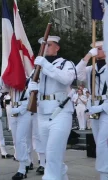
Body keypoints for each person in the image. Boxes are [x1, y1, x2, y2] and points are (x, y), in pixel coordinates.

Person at [28, 36, 76, 179]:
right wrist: (31, 87)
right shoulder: (37, 67)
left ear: (57, 48)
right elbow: (29, 86)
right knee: (51, 154)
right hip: (42, 112)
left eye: (49, 45)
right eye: (44, 45)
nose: (46, 47)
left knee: (53, 152)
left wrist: (46, 65)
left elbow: (66, 79)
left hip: (60, 112)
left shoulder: (65, 63)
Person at [76, 41, 108, 180]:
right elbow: (77, 74)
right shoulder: (90, 70)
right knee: (98, 142)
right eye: (95, 49)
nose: (97, 50)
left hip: (106, 108)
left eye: (100, 48)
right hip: (94, 109)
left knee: (102, 143)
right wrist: (88, 55)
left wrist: (102, 107)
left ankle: (103, 174)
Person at [7, 82, 32, 180]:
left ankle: (22, 169)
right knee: (16, 141)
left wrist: (19, 109)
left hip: (24, 113)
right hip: (13, 112)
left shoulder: (28, 85)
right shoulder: (12, 87)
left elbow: (32, 99)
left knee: (21, 140)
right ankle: (25, 163)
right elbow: (3, 88)